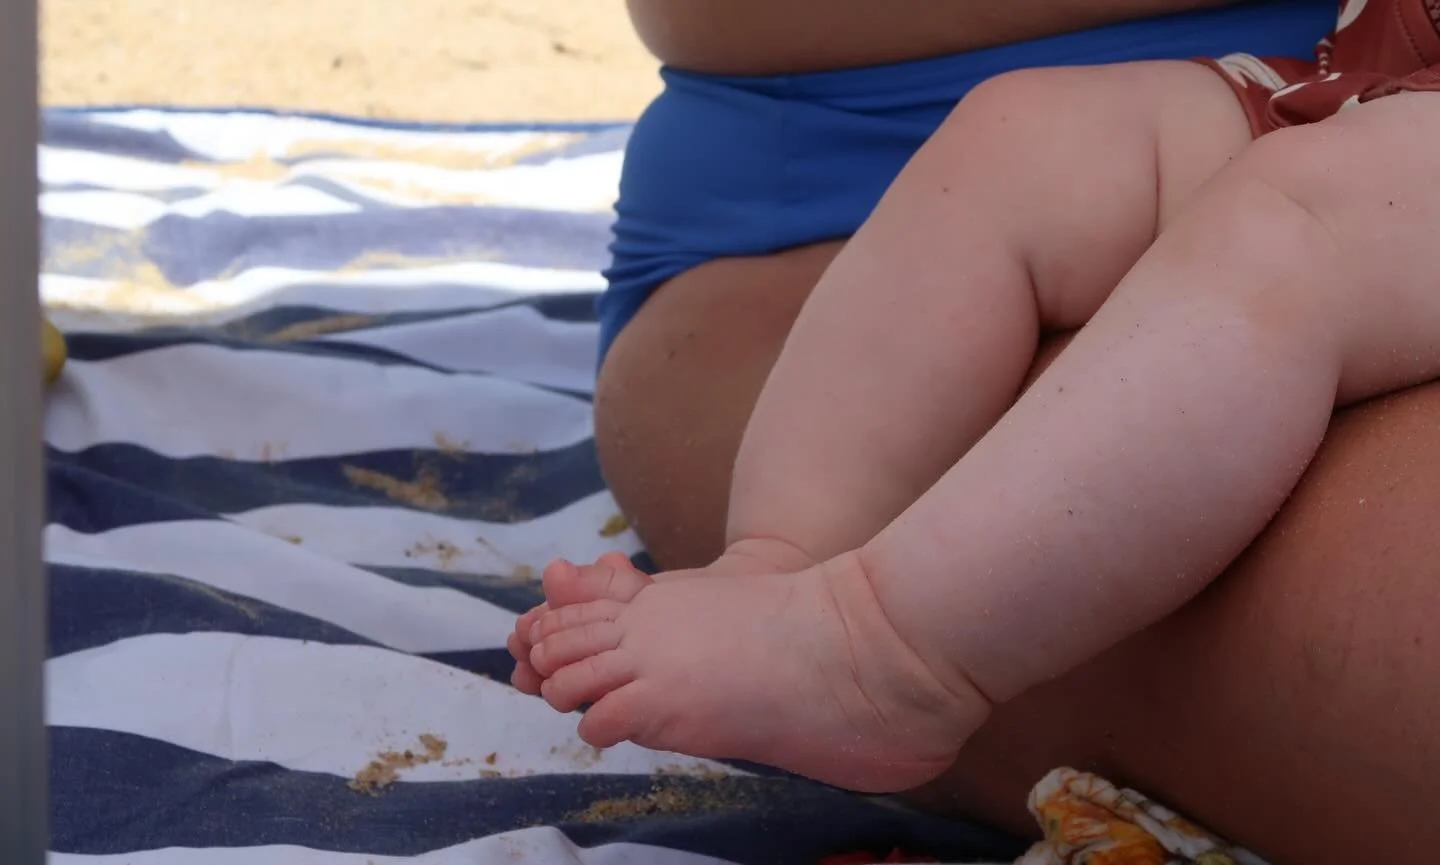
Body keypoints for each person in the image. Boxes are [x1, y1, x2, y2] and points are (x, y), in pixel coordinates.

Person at [531, 2, 1440, 862]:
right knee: (1028, 135)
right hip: (1380, 69)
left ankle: (883, 659)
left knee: (1294, 226)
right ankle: (777, 570)